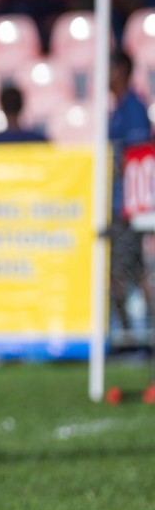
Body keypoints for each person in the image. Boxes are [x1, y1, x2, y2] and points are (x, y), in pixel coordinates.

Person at [108, 50, 152, 331]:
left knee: (123, 274)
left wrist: (111, 165)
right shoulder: (118, 108)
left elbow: (138, 158)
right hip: (118, 205)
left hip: (127, 207)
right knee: (131, 274)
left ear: (122, 70)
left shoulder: (133, 108)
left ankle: (133, 339)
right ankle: (135, 338)